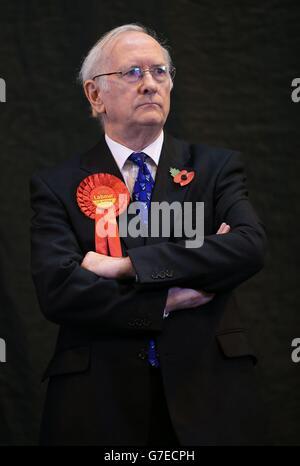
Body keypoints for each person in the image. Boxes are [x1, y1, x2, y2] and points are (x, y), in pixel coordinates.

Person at [30, 24, 267, 446]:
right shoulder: (57, 184)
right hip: (98, 400)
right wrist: (167, 299)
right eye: (132, 73)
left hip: (208, 393)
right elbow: (60, 289)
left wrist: (127, 266)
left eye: (160, 71)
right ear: (95, 95)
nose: (151, 84)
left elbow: (247, 246)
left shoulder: (215, 169)